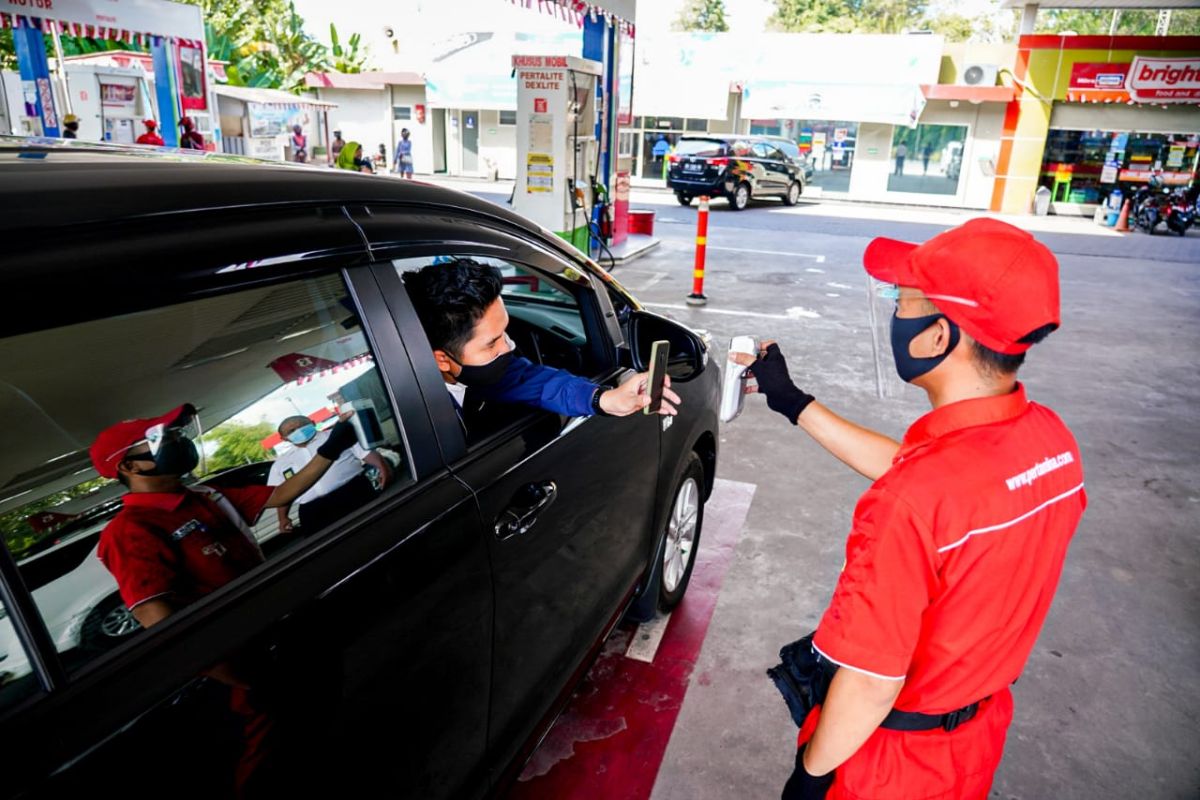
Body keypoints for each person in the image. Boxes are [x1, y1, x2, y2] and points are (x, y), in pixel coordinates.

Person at [736, 219, 1086, 800]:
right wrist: (793, 402)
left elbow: (873, 679)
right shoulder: (1049, 441)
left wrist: (812, 776)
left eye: (903, 303)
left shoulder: (915, 499)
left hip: (890, 767)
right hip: (971, 741)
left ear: (937, 336)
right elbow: (928, 478)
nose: (896, 316)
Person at [88, 403, 363, 795]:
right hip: (240, 663)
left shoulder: (206, 495)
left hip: (278, 634)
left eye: (176, 435)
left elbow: (283, 492)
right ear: (128, 468)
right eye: (159, 441)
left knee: (309, 724)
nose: (177, 444)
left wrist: (330, 449)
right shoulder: (131, 529)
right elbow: (156, 615)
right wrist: (241, 678)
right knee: (265, 756)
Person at [401, 259, 679, 436]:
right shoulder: (412, 416)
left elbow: (540, 383)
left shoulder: (477, 372)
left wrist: (605, 399)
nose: (509, 345)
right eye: (492, 343)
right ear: (441, 359)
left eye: (504, 332)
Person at [268, 415, 392, 535]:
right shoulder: (280, 463)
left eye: (302, 425)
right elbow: (282, 492)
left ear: (313, 423)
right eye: (291, 431)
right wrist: (283, 518)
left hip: (354, 493)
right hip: (313, 511)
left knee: (376, 530)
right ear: (284, 438)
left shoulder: (337, 436)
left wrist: (383, 468)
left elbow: (365, 454)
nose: (299, 430)